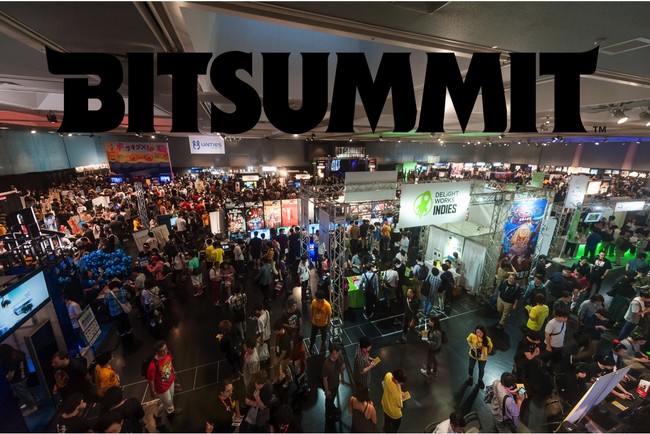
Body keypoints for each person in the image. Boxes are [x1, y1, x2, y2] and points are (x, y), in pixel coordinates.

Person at [0, 343, 38, 416]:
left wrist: (6, 380)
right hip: (24, 375)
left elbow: (11, 374)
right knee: (24, 392)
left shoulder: (12, 360)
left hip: (17, 380)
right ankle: (30, 403)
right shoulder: (19, 354)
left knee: (23, 393)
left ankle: (31, 407)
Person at [147, 340, 182, 418]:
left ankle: (160, 412)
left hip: (170, 381)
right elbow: (151, 380)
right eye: (162, 351)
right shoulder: (153, 365)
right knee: (168, 402)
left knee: (169, 399)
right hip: (162, 388)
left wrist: (173, 371)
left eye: (166, 348)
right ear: (157, 352)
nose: (165, 351)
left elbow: (170, 362)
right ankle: (168, 412)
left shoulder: (167, 353)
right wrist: (152, 391)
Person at [103, 280, 135, 347]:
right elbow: (129, 297)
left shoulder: (107, 295)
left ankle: (124, 342)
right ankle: (131, 340)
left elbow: (105, 303)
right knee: (126, 324)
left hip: (114, 314)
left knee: (119, 326)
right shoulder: (124, 291)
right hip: (123, 312)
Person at [322, 342, 345, 421]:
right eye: (333, 354)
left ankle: (332, 407)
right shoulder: (326, 364)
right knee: (328, 401)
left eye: (336, 353)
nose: (335, 356)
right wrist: (326, 390)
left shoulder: (340, 357)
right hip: (330, 387)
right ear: (330, 353)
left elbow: (341, 367)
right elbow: (324, 378)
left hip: (336, 383)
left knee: (332, 399)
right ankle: (328, 415)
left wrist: (342, 377)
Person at [381, 368, 407, 433]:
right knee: (396, 424)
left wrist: (399, 391)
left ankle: (386, 429)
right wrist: (399, 390)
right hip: (393, 412)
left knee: (386, 419)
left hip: (385, 404)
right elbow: (400, 405)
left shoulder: (388, 375)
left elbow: (384, 383)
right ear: (397, 381)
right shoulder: (396, 393)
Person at [309, 290, 332, 355]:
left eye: (317, 297)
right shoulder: (314, 302)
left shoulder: (327, 305)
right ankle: (311, 347)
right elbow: (311, 310)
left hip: (323, 324)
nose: (315, 298)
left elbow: (329, 314)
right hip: (315, 323)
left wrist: (328, 323)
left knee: (323, 336)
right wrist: (311, 318)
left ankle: (323, 346)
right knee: (313, 336)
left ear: (320, 298)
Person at [421, 314, 443, 379]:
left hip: (433, 349)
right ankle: (434, 370)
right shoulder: (434, 328)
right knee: (433, 358)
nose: (428, 321)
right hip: (436, 348)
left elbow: (436, 343)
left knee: (429, 360)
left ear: (433, 322)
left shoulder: (436, 332)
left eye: (430, 320)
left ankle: (427, 373)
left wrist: (428, 342)